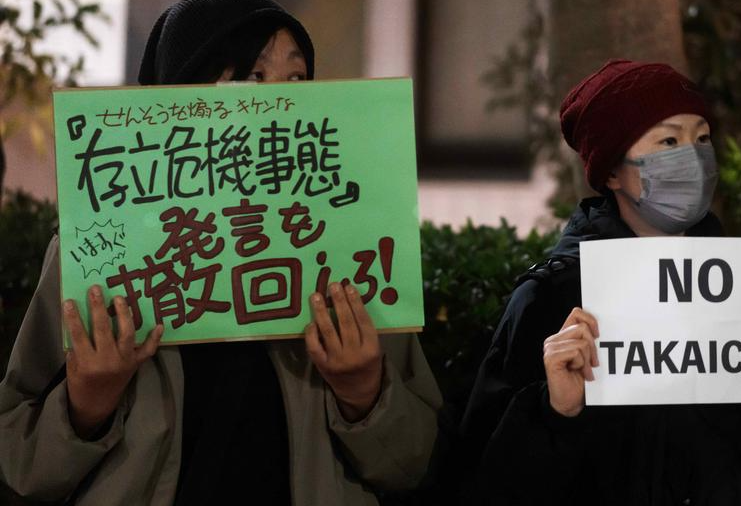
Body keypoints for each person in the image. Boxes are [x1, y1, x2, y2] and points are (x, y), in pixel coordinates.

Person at [0, 1, 442, 505]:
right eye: (253, 78)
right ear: (178, 101)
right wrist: (84, 407)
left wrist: (365, 394)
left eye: (298, 79)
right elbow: (20, 462)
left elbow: (415, 463)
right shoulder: (99, 252)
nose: (282, 102)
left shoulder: (351, 250)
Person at [460, 60, 741, 505]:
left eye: (702, 138)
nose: (693, 157)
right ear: (612, 172)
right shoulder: (549, 301)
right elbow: (486, 482)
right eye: (668, 140)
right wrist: (554, 413)